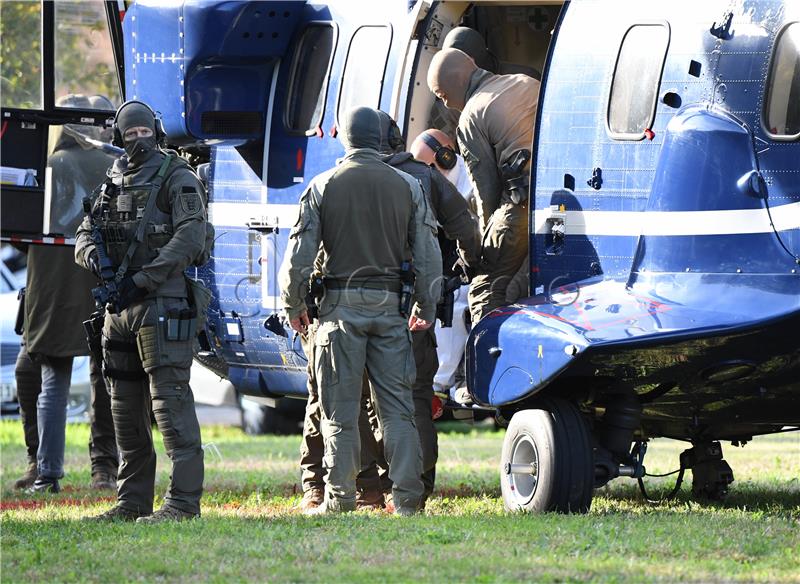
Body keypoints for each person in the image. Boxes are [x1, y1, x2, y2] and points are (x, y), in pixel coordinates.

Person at [280, 106, 442, 515]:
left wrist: (294, 303)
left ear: (346, 138)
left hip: (338, 313)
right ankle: (408, 500)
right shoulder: (408, 185)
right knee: (399, 412)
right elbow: (427, 254)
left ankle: (339, 498)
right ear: (380, 137)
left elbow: (299, 256)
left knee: (340, 412)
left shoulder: (323, 185)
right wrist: (425, 304)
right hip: (391, 312)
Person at [75, 100, 208, 523]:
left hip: (162, 304)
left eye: (143, 132)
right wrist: (96, 258)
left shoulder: (177, 175)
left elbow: (191, 237)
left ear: (156, 131)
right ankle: (131, 502)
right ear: (118, 137)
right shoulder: (111, 180)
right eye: (129, 134)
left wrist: (143, 278)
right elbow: (82, 233)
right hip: (119, 309)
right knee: (124, 412)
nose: (138, 141)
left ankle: (183, 505)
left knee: (169, 408)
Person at [13, 94, 119, 493]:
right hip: (100, 284)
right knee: (105, 377)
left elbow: (21, 235)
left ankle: (43, 467)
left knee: (44, 376)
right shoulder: (115, 166)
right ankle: (104, 469)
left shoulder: (47, 166)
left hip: (51, 291)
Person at [427, 48, 539, 323]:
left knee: (485, 290)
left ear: (445, 93)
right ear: (473, 64)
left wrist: (480, 249)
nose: (446, 105)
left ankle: (492, 361)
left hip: (520, 208)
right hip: (556, 199)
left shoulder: (471, 117)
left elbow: (486, 192)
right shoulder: (526, 82)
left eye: (442, 98)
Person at [409, 130, 475, 400]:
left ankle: (443, 381)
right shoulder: (425, 185)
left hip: (474, 262)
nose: (429, 174)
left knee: (458, 300)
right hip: (446, 261)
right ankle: (439, 380)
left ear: (448, 157)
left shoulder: (473, 183)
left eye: (433, 167)